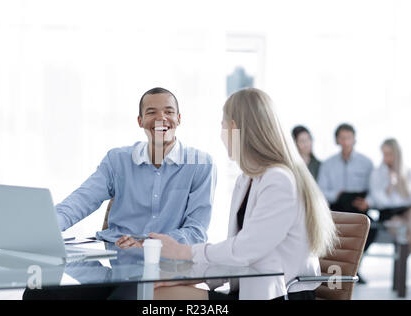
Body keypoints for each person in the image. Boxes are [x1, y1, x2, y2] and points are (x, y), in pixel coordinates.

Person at [23, 87, 216, 300]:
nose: (161, 118)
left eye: (168, 112)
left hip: (163, 267)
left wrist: (148, 243)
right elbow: (81, 200)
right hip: (113, 262)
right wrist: (45, 228)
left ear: (178, 119)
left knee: (126, 297)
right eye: (151, 112)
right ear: (140, 121)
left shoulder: (200, 164)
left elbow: (196, 231)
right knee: (38, 290)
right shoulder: (117, 160)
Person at [149, 88, 337, 300]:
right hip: (250, 292)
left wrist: (184, 252)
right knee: (159, 292)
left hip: (279, 296)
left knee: (161, 298)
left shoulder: (279, 180)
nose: (221, 135)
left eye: (222, 126)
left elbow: (246, 249)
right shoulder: (247, 179)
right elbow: (236, 255)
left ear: (235, 129)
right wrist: (187, 276)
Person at [318, 123, 374, 284]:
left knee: (371, 229)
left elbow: (373, 189)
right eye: (342, 138)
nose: (345, 141)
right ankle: (336, 271)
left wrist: (367, 201)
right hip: (336, 207)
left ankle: (355, 266)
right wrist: (337, 194)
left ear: (354, 139)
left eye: (348, 138)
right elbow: (321, 191)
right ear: (337, 140)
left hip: (358, 208)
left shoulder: (366, 163)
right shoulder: (328, 164)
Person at [369, 138, 411, 247]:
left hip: (405, 211)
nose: (386, 158)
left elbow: (407, 199)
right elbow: (381, 202)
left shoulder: (406, 172)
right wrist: (390, 185)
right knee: (405, 232)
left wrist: (401, 182)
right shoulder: (377, 174)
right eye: (384, 154)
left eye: (389, 154)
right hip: (387, 213)